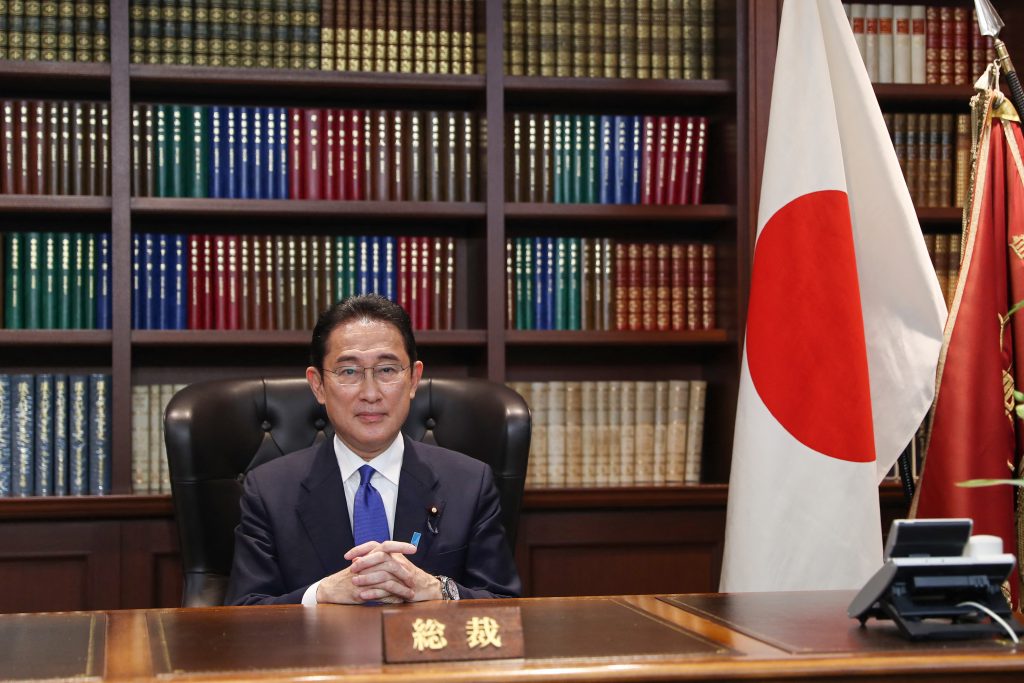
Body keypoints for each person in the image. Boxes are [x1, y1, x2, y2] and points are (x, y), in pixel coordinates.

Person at [225, 294, 522, 605]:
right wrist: (319, 596)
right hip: (319, 652)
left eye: (387, 370)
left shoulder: (469, 483)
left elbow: (505, 605)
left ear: (413, 380)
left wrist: (439, 590)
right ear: (318, 386)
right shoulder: (269, 491)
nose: (370, 393)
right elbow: (244, 613)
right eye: (349, 372)